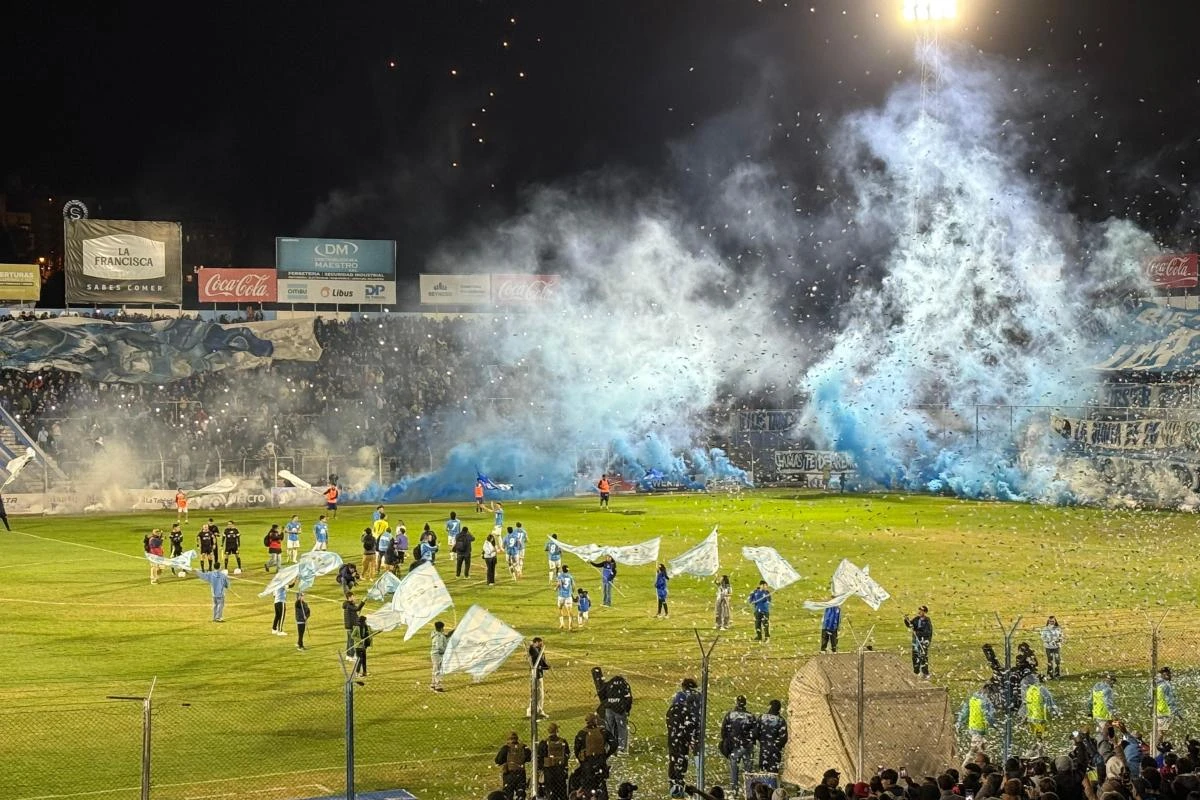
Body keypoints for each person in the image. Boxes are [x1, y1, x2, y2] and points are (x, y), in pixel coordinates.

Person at [667, 678, 702, 798]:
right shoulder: (699, 696)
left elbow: (672, 714)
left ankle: (675, 784)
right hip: (696, 730)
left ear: (684, 686)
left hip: (680, 733)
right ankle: (700, 779)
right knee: (697, 755)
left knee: (676, 758)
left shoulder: (680, 696)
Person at [573, 713, 617, 800]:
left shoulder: (582, 733)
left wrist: (582, 761)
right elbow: (614, 744)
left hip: (587, 765)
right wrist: (606, 755)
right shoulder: (603, 731)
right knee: (601, 785)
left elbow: (576, 750)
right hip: (600, 762)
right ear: (596, 720)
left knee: (588, 788)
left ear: (586, 722)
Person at [720, 695, 758, 792]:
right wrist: (748, 741)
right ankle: (749, 792)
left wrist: (727, 742)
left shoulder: (730, 715)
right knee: (748, 772)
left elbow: (723, 731)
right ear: (745, 704)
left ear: (736, 703)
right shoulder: (751, 716)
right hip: (747, 747)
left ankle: (734, 791)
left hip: (735, 747)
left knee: (734, 770)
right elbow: (755, 733)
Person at [592, 666, 633, 754]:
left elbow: (601, 692)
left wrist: (606, 702)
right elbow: (629, 699)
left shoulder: (609, 683)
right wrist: (627, 710)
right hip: (620, 710)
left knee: (609, 728)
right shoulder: (625, 685)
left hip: (609, 708)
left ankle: (610, 747)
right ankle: (621, 749)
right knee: (622, 728)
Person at [1020, 674, 1057, 754]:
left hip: (1032, 720)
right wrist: (1055, 712)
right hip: (1041, 719)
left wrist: (1024, 718)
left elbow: (1026, 706)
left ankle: (1034, 753)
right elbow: (1050, 701)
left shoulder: (1029, 691)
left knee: (1039, 739)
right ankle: (1038, 755)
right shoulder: (1042, 689)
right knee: (1041, 740)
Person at [538, 722, 571, 800]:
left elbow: (540, 758)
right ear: (557, 730)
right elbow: (567, 755)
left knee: (550, 793)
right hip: (560, 771)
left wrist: (541, 769)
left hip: (549, 772)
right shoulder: (563, 741)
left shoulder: (543, 743)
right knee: (562, 793)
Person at [957, 684, 997, 751]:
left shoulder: (972, 698)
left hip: (972, 728)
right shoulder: (986, 701)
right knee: (978, 748)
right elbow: (989, 715)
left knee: (979, 746)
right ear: (987, 690)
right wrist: (993, 724)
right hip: (980, 728)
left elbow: (964, 713)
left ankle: (978, 755)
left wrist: (959, 723)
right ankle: (974, 758)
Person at [495, 731, 532, 800]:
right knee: (521, 793)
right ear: (517, 739)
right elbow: (529, 758)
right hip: (521, 774)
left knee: (508, 795)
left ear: (508, 739)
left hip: (509, 774)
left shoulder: (506, 748)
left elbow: (498, 761)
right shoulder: (523, 747)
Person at [758, 700, 788, 773]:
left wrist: (762, 741)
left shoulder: (762, 717)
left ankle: (763, 783)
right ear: (779, 709)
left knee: (763, 770)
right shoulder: (781, 720)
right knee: (773, 771)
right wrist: (778, 746)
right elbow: (783, 738)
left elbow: (756, 732)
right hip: (775, 749)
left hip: (764, 748)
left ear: (770, 706)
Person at [1153, 667, 1180, 748]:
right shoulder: (1165, 686)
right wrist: (1177, 712)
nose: (1170, 675)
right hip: (1164, 713)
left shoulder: (1158, 685)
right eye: (1168, 674)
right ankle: (1157, 749)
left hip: (1160, 711)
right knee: (1161, 733)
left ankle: (1157, 748)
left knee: (1161, 732)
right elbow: (1170, 700)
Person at [904, 605, 933, 678]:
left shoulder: (927, 621)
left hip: (923, 641)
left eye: (922, 610)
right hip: (916, 640)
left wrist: (918, 633)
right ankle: (916, 671)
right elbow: (910, 625)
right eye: (919, 610)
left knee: (923, 656)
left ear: (925, 612)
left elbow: (927, 632)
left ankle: (925, 673)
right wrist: (906, 620)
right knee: (915, 655)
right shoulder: (916, 619)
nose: (920, 611)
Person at [527, 637, 550, 718]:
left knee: (540, 694)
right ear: (536, 642)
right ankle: (530, 711)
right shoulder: (532, 650)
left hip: (540, 675)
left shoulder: (540, 650)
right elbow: (530, 653)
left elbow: (542, 661)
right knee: (534, 694)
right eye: (540, 642)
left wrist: (546, 666)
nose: (541, 644)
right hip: (534, 675)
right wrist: (531, 645)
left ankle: (540, 710)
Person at [430, 620, 450, 691]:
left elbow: (445, 636)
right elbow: (440, 647)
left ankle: (433, 684)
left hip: (434, 654)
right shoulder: (439, 636)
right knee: (438, 670)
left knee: (435, 669)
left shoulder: (435, 634)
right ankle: (438, 686)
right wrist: (446, 651)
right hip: (437, 654)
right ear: (441, 628)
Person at [556, 565, 577, 630]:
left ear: (562, 569)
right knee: (570, 611)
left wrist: (555, 588)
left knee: (560, 609)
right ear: (568, 570)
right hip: (568, 596)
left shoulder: (560, 576)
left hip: (561, 595)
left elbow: (559, 584)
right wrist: (571, 592)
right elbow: (574, 586)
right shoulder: (570, 576)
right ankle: (570, 626)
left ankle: (562, 624)